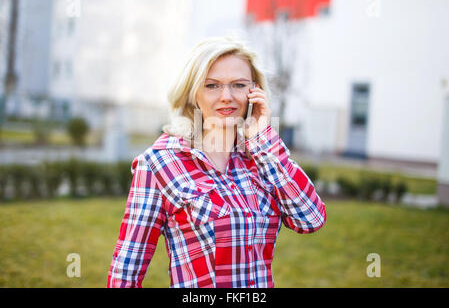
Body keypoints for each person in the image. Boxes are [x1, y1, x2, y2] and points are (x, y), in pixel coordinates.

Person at [107, 36, 326, 288]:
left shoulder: (262, 158)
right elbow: (126, 271)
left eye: (239, 85)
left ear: (254, 93)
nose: (227, 96)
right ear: (193, 94)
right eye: (212, 86)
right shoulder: (159, 163)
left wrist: (263, 138)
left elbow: (310, 219)